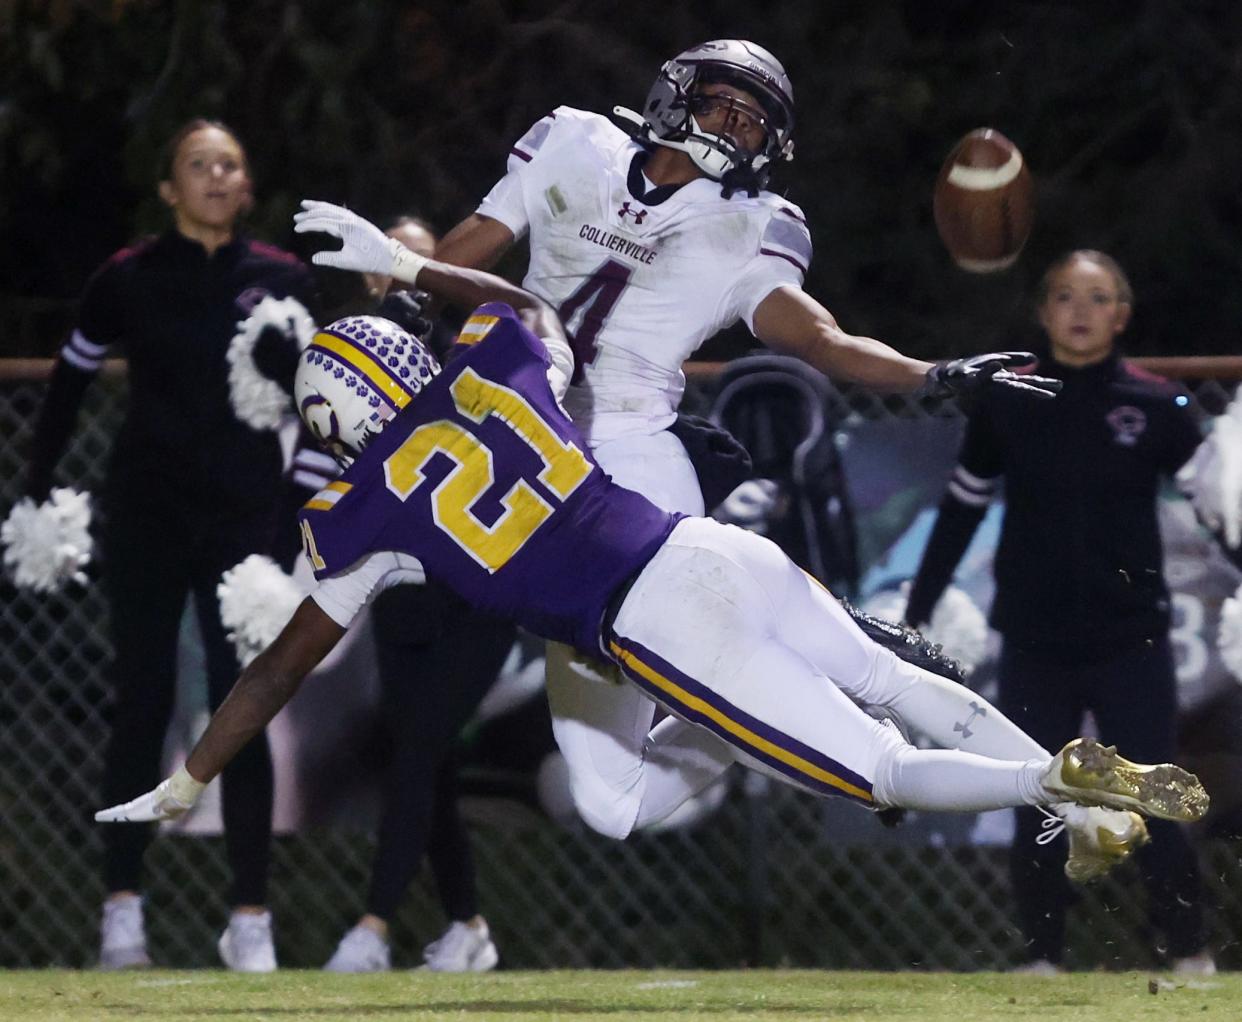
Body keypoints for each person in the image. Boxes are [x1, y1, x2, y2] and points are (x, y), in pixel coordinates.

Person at [94, 254, 1209, 909]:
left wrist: (189, 775)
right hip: (708, 548)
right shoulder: (492, 356)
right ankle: (1069, 782)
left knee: (880, 770)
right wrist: (415, 262)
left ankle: (1052, 787)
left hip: (649, 625)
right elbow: (532, 305)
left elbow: (286, 663)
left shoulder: (368, 505)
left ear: (339, 414)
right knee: (889, 677)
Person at [420, 39, 1088, 849]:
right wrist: (400, 284)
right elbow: (463, 254)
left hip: (632, 462)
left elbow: (822, 340)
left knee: (729, 664)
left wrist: (930, 371)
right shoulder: (572, 139)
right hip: (526, 454)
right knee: (609, 805)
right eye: (721, 105)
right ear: (676, 95)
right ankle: (745, 715)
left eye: (753, 120)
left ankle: (816, 667)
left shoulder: (752, 226)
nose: (735, 127)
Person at [19, 119, 317, 971]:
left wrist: (294, 509)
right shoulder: (125, 280)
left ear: (247, 183)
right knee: (142, 705)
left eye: (231, 162)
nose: (218, 176)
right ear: (168, 189)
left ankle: (251, 918)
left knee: (246, 709)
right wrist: (38, 488)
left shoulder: (283, 280)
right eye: (199, 165)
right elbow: (71, 381)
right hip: (147, 518)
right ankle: (123, 916)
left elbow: (322, 411)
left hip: (244, 527)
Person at [904, 250, 1215, 974]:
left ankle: (1189, 952)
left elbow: (1219, 510)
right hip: (1034, 641)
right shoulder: (1008, 401)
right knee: (1039, 800)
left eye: (1099, 296)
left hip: (1131, 639)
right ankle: (1041, 958)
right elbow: (960, 509)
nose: (1081, 310)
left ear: (1122, 314)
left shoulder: (1161, 406)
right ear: (1043, 312)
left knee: (1157, 796)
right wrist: (917, 609)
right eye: (1066, 296)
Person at [321, 216, 509, 973]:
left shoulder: (485, 348)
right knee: (424, 762)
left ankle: (371, 928)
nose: (404, 276)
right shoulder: (344, 359)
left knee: (417, 752)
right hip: (400, 586)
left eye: (427, 262)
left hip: (481, 587)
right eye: (391, 263)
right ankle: (466, 926)